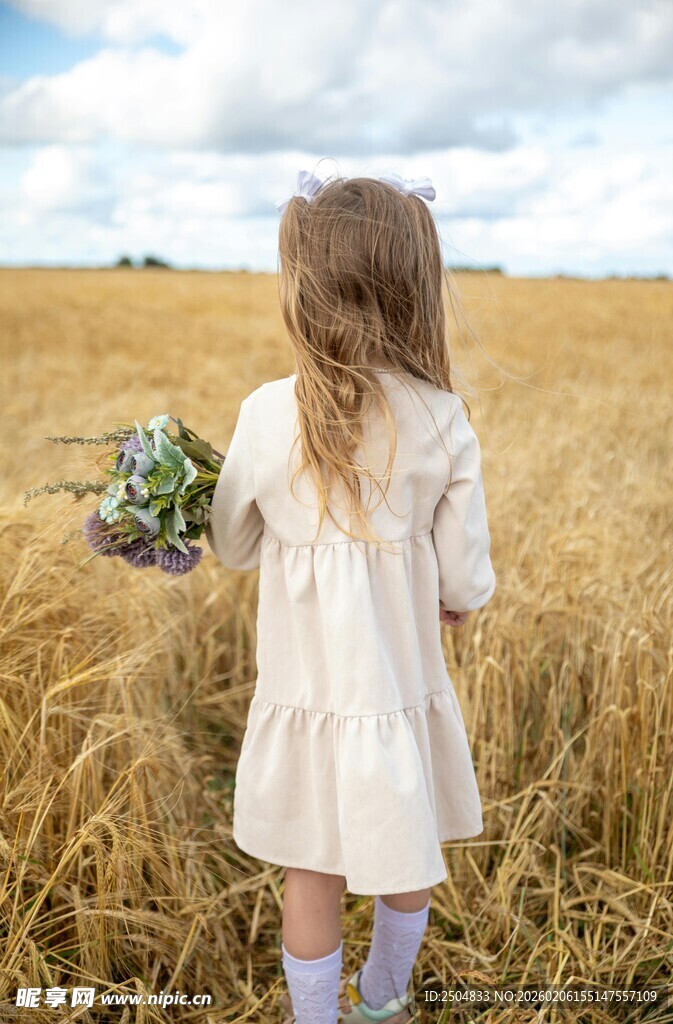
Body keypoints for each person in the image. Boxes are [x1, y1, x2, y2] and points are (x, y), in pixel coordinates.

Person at [204, 168, 496, 1024]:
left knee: (311, 870)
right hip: (399, 692)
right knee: (409, 857)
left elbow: (232, 545)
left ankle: (316, 1019)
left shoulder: (266, 414)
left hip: (305, 697)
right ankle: (382, 999)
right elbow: (463, 573)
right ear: (415, 285)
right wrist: (453, 597)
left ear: (302, 286)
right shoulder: (440, 415)